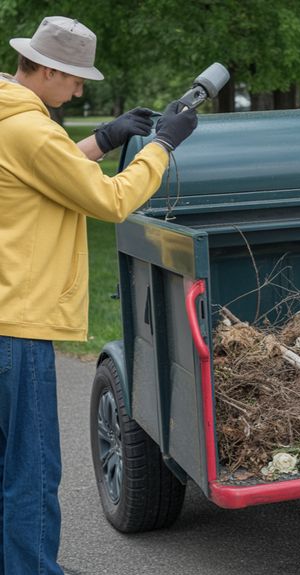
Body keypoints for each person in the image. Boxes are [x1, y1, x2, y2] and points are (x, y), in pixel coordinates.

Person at [0, 16, 198, 575]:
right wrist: (159, 147)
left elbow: (47, 171)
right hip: (19, 324)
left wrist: (106, 138)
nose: (80, 89)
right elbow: (111, 201)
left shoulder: (11, 116)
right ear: (46, 69)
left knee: (9, 467)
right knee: (32, 471)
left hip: (3, 313)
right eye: (74, 79)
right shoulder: (30, 130)